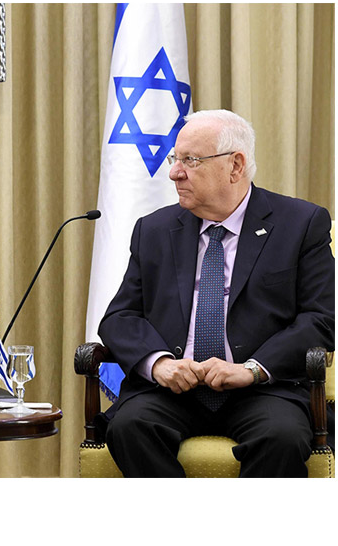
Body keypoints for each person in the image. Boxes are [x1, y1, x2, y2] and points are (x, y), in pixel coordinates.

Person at [99, 109, 334, 477]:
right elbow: (119, 318)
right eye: (175, 159)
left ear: (235, 166)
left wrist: (252, 370)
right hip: (174, 390)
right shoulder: (155, 229)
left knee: (282, 437)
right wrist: (159, 363)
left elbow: (321, 318)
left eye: (190, 160)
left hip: (261, 388)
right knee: (130, 426)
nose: (175, 172)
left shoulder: (301, 224)